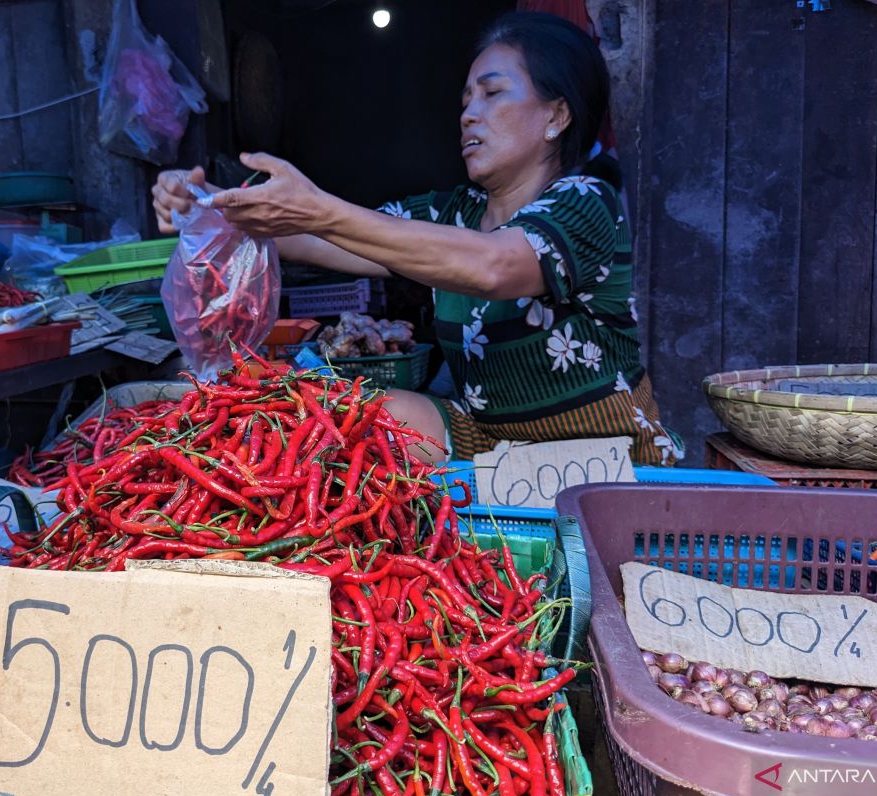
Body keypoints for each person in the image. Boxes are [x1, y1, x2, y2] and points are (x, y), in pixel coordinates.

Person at [152, 11, 682, 465]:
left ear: (556, 115)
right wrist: (207, 204)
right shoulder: (452, 211)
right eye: (466, 99)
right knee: (324, 418)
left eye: (493, 93)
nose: (469, 112)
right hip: (487, 439)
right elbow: (319, 237)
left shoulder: (586, 200)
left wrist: (320, 210)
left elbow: (495, 266)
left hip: (603, 453)